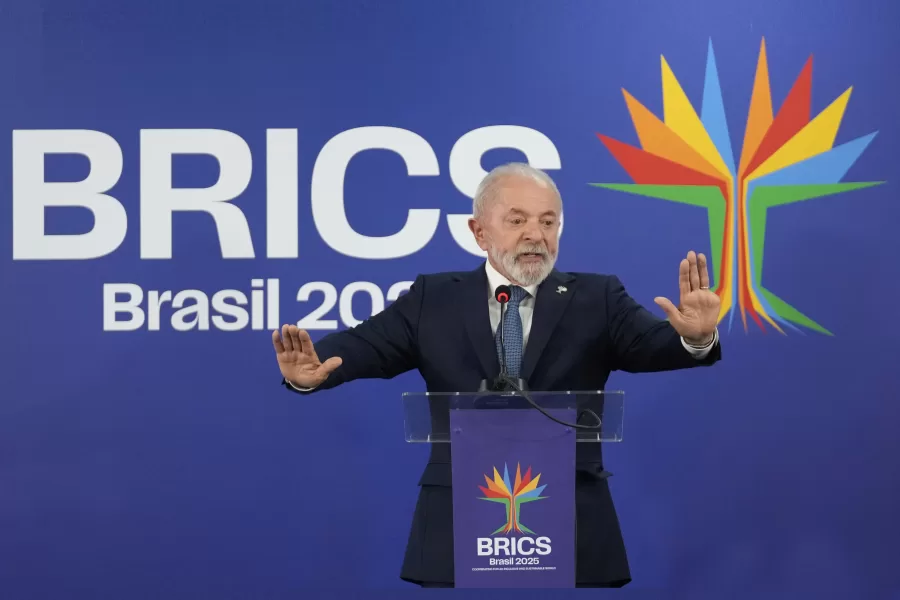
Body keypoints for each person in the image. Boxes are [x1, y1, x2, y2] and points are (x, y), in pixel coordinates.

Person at [271, 162, 722, 587]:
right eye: (518, 220)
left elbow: (652, 345)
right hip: (458, 518)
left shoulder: (597, 297)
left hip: (571, 519)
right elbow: (363, 345)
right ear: (479, 232)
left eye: (548, 222)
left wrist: (696, 338)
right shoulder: (434, 297)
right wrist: (312, 371)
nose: (535, 235)